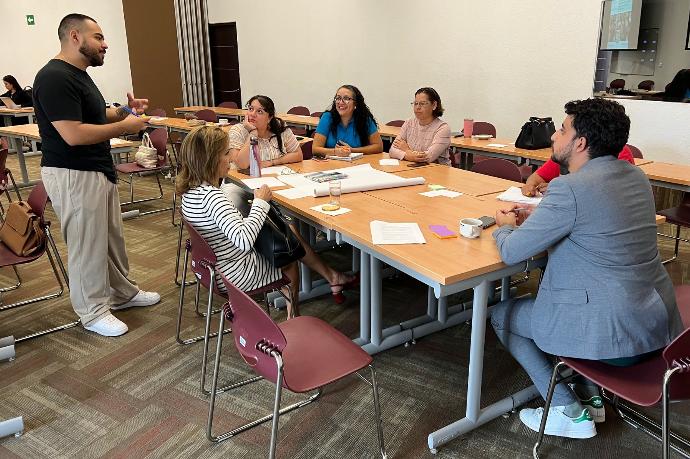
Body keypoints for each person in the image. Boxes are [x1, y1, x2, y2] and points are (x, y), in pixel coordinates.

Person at [490, 98, 683, 440]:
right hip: (656, 328)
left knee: (501, 315)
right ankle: (591, 394)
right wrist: (541, 218)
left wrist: (503, 225)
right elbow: (596, 223)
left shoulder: (570, 188)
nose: (553, 136)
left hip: (612, 336)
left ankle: (565, 410)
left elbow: (513, 251)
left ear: (580, 143)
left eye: (562, 130)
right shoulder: (636, 176)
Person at [33, 13, 160, 337]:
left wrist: (123, 112)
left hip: (95, 169)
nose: (105, 44)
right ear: (75, 37)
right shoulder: (54, 77)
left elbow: (94, 116)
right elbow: (72, 134)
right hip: (74, 173)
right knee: (86, 244)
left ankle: (122, 294)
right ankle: (92, 312)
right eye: (99, 37)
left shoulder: (78, 74)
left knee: (109, 239)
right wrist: (125, 127)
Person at [178, 126, 357, 318]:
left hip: (211, 267)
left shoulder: (191, 193)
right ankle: (293, 319)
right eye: (225, 153)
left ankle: (325, 281)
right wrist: (260, 202)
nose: (230, 158)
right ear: (211, 160)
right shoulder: (212, 198)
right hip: (233, 273)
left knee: (287, 234)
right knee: (288, 259)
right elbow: (244, 241)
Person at [521, 144, 634, 197]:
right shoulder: (567, 151)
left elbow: (605, 193)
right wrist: (530, 186)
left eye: (564, 131)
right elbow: (537, 176)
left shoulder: (618, 153)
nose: (554, 135)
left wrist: (558, 188)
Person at [228, 95, 303, 168]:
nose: (253, 114)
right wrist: (253, 133)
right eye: (251, 109)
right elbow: (241, 165)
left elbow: (298, 155)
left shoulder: (280, 129)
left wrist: (272, 162)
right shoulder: (237, 131)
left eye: (259, 111)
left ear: (269, 118)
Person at [312, 84, 383, 157]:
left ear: (355, 103)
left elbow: (378, 147)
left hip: (357, 164)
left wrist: (352, 150)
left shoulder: (364, 119)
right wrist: (335, 152)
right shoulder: (327, 117)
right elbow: (315, 149)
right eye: (338, 98)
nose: (341, 102)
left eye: (346, 98)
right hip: (330, 164)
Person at [389, 87, 451, 166]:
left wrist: (406, 150)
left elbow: (428, 157)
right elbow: (392, 150)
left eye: (422, 103)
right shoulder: (409, 123)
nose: (417, 107)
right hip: (413, 168)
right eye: (415, 103)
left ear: (434, 105)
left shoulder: (443, 128)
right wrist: (410, 155)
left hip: (437, 172)